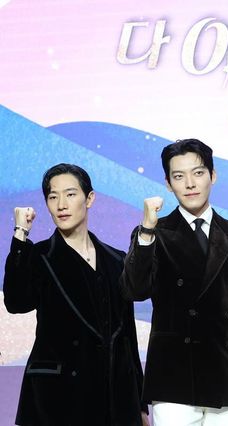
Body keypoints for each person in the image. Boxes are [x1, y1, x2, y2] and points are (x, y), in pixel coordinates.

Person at [120, 139, 228, 426]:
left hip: (226, 374)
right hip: (173, 377)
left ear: (213, 176)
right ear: (168, 183)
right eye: (179, 176)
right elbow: (134, 290)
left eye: (198, 173)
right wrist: (147, 230)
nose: (190, 183)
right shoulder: (153, 234)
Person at [3, 163, 148, 426]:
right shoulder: (38, 256)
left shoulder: (117, 260)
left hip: (114, 398)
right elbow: (16, 302)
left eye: (70, 194)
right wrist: (20, 234)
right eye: (53, 197)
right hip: (58, 398)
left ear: (89, 199)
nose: (61, 205)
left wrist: (139, 403)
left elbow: (127, 335)